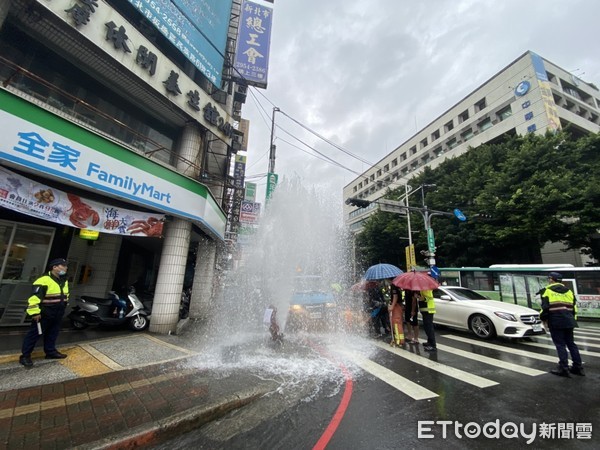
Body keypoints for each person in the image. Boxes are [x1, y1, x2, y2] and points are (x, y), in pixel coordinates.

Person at [20, 258, 70, 367]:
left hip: (58, 312)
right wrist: (34, 313)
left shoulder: (63, 280)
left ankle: (50, 352)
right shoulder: (43, 280)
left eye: (66, 266)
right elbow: (34, 298)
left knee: (53, 333)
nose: (65, 268)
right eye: (63, 265)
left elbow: (65, 295)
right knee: (34, 334)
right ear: (54, 267)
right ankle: (25, 356)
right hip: (45, 313)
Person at [539, 272, 584, 377]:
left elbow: (545, 308)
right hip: (569, 321)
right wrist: (572, 320)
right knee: (571, 344)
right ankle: (578, 367)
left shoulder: (547, 291)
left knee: (560, 345)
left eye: (549, 278)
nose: (548, 280)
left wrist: (543, 320)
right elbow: (574, 309)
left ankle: (563, 368)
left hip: (556, 321)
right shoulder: (569, 291)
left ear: (551, 279)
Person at [387, 279, 404, 346]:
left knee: (396, 323)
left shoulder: (393, 285)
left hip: (396, 306)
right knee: (398, 323)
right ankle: (400, 340)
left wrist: (392, 306)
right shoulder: (397, 285)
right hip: (398, 305)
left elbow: (395, 296)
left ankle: (398, 341)